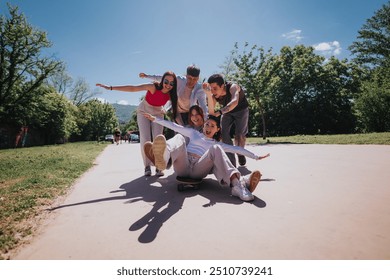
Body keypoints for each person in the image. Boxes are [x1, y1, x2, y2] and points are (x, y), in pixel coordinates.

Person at [143, 113, 270, 202]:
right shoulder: (194, 133)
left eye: (212, 126)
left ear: (217, 129)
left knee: (216, 149)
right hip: (183, 164)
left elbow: (237, 149)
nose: (208, 127)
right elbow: (175, 126)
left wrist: (255, 156)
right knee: (179, 137)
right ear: (203, 126)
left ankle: (237, 186)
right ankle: (163, 159)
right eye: (207, 124)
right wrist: (155, 119)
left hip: (199, 168)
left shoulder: (217, 144)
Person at [96, 71, 178, 177]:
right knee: (145, 138)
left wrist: (165, 109)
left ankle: (158, 166)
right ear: (162, 81)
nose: (168, 85)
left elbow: (175, 105)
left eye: (172, 83)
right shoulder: (153, 87)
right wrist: (110, 87)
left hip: (158, 113)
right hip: (144, 110)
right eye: (166, 81)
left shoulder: (171, 94)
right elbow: (133, 88)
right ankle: (147, 166)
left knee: (159, 139)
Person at [203, 74, 250, 167]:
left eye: (215, 88)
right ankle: (231, 164)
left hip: (241, 110)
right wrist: (208, 94)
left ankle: (240, 153)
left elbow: (234, 101)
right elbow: (211, 111)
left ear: (222, 86)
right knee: (224, 134)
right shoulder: (213, 94)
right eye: (211, 88)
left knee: (239, 135)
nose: (213, 91)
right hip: (227, 112)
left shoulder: (233, 87)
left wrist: (220, 112)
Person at [139, 64, 208, 125]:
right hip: (177, 111)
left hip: (190, 113)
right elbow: (162, 78)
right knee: (181, 130)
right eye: (189, 78)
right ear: (186, 76)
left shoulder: (199, 89)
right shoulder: (179, 80)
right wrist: (147, 76)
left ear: (198, 78)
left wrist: (207, 121)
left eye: (194, 79)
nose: (192, 81)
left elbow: (203, 106)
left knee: (190, 131)